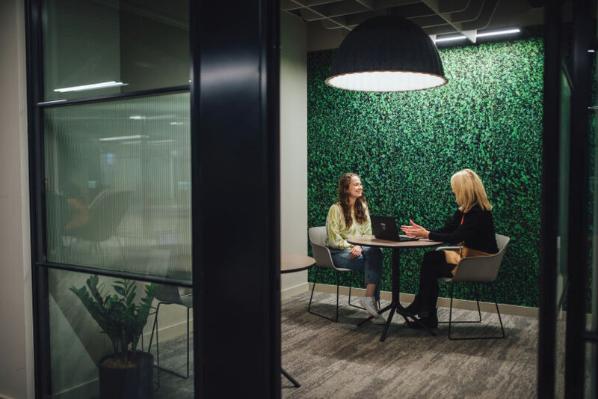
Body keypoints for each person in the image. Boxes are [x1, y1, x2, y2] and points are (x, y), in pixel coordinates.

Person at [400, 169, 498, 329]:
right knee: (431, 259)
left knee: (431, 265)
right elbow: (448, 230)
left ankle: (425, 311)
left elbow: (456, 237)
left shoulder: (478, 212)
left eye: (455, 189)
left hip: (479, 262)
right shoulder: (466, 210)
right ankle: (424, 311)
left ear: (463, 189)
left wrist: (428, 234)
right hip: (468, 256)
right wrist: (424, 233)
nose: (453, 192)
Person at [326, 173, 385, 324]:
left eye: (360, 184)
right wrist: (353, 246)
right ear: (346, 188)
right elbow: (334, 239)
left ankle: (369, 299)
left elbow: (368, 235)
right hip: (337, 252)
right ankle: (373, 306)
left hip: (360, 251)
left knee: (375, 253)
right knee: (374, 259)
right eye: (356, 184)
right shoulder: (335, 209)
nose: (361, 187)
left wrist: (359, 246)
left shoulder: (362, 207)